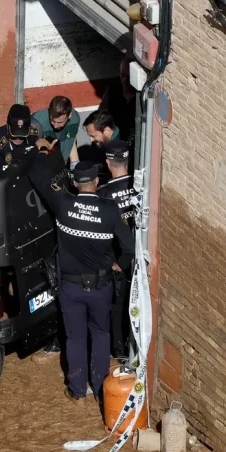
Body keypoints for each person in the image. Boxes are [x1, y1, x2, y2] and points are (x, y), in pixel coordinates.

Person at [29, 150, 135, 403]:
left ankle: (77, 388)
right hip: (101, 286)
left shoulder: (63, 203)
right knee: (101, 335)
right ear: (96, 182)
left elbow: (38, 176)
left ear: (75, 184)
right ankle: (99, 387)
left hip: (71, 288)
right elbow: (130, 246)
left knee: (75, 338)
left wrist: (42, 151)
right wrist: (120, 265)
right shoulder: (109, 210)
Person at [98, 140, 138, 360]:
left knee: (118, 306)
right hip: (139, 256)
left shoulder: (104, 194)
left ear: (107, 162)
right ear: (128, 159)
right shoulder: (139, 185)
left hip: (117, 260)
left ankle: (120, 351)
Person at [0, 104, 41, 180]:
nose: (18, 139)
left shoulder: (33, 136)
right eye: (14, 135)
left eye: (22, 136)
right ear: (7, 126)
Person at [99, 55, 136, 150]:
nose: (124, 81)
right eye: (122, 76)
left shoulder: (140, 97)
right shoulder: (112, 90)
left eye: (128, 77)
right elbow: (102, 113)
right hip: (114, 133)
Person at [32, 96, 80, 164]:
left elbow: (71, 139)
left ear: (69, 116)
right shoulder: (36, 123)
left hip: (61, 166)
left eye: (60, 122)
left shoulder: (75, 119)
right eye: (52, 121)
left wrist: (75, 163)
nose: (55, 126)